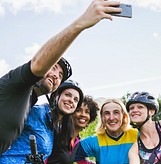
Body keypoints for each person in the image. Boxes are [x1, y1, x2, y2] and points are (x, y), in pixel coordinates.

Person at [0, 0, 122, 155]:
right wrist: (80, 24)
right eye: (53, 68)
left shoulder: (30, 102)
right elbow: (38, 65)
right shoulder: (18, 83)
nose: (56, 76)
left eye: (60, 76)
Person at [0, 80, 84, 164]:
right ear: (56, 95)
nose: (71, 101)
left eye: (76, 100)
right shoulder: (37, 112)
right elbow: (7, 117)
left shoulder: (56, 125)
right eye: (68, 95)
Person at [36, 95, 99, 164]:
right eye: (78, 110)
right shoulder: (56, 135)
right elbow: (39, 163)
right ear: (70, 113)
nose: (83, 115)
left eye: (87, 112)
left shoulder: (77, 143)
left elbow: (84, 163)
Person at [75, 98, 139, 164]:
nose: (111, 118)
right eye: (107, 113)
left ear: (123, 116)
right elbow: (70, 156)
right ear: (102, 118)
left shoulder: (136, 135)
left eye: (116, 112)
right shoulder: (94, 141)